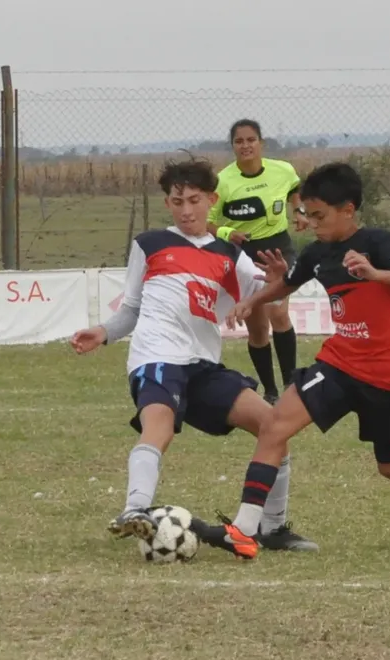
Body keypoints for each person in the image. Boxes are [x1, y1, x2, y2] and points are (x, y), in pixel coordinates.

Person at [191, 162, 390, 560]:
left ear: (347, 210)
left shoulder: (379, 242)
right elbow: (288, 281)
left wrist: (375, 273)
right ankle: (243, 531)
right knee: (274, 425)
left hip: (388, 376)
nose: (311, 224)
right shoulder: (317, 252)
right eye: (307, 215)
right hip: (339, 364)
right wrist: (253, 300)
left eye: (319, 215)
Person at [70, 156, 317, 552]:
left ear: (212, 200)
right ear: (168, 203)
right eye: (177, 201)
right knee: (159, 428)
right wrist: (103, 331)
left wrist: (277, 281)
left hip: (203, 364)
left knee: (274, 426)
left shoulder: (230, 255)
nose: (186, 210)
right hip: (156, 356)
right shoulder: (149, 244)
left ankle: (273, 528)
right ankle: (135, 510)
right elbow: (131, 308)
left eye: (194, 200)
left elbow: (268, 295)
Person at [208, 119, 308, 404]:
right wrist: (228, 232)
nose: (246, 146)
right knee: (258, 329)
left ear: (261, 142)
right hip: (243, 254)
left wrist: (299, 211)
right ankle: (271, 390)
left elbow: (293, 189)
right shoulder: (223, 181)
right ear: (233, 147)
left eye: (251, 140)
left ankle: (291, 386)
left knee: (278, 313)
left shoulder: (283, 170)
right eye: (239, 141)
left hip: (277, 250)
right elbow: (208, 222)